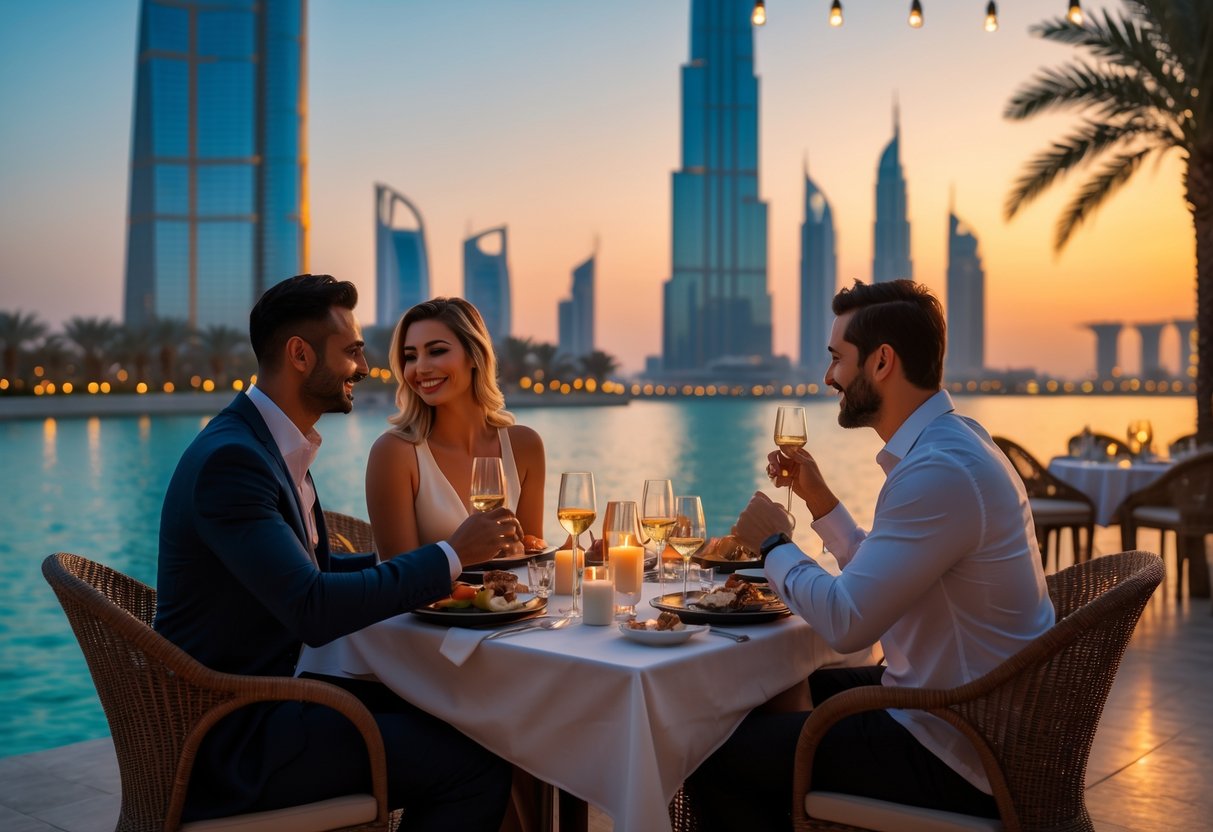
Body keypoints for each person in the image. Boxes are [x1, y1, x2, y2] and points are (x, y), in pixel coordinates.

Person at [690, 279, 1055, 828]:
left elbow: (848, 621)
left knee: (710, 753)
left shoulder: (939, 471)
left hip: (958, 748)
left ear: (882, 362)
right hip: (961, 709)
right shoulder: (956, 443)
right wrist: (820, 501)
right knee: (756, 693)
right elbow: (881, 580)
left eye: (837, 359)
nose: (828, 377)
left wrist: (773, 543)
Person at [154, 274, 516, 829]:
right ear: (300, 355)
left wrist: (422, 564)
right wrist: (449, 554)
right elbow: (314, 608)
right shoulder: (234, 461)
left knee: (475, 720)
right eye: (351, 351)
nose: (366, 369)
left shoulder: (268, 444)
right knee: (474, 764)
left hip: (272, 699)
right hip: (234, 734)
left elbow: (316, 572)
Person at [366, 297, 545, 558]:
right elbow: (399, 583)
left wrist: (573, 556)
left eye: (436, 351)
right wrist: (458, 553)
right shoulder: (394, 454)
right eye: (410, 357)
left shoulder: (524, 446)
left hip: (510, 599)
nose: (421, 368)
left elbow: (531, 556)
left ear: (474, 355)